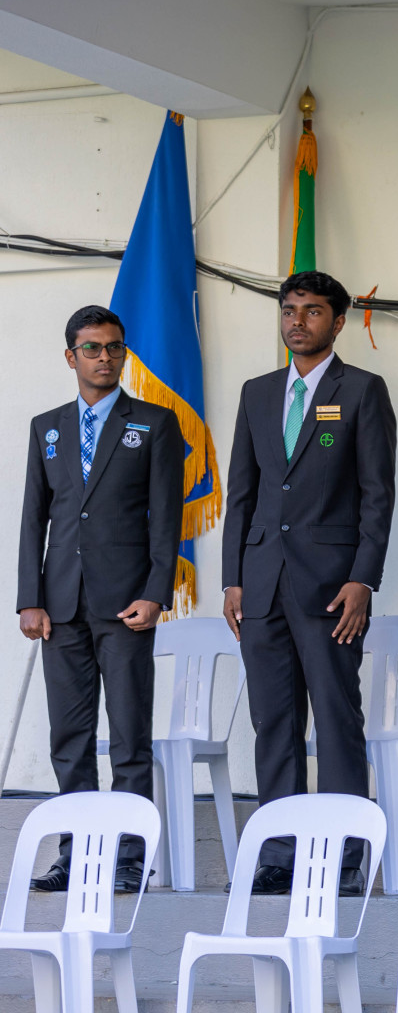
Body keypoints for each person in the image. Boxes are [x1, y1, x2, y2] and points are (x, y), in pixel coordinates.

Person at [222, 270, 397, 896]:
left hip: (332, 588)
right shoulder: (258, 392)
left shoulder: (363, 391)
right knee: (273, 721)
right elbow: (241, 493)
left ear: (339, 321)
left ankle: (348, 856)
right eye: (290, 310)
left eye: (314, 311)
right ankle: (280, 854)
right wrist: (233, 579)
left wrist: (363, 579)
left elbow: (379, 497)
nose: (298, 321)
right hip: (262, 582)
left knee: (335, 716)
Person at [17, 305, 185, 893]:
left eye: (114, 348)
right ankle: (77, 851)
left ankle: (129, 858)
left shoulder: (155, 424)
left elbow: (167, 520)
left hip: (125, 603)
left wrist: (156, 593)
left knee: (130, 735)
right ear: (72, 356)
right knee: (69, 736)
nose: (105, 357)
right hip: (60, 605)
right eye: (92, 348)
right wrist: (28, 599)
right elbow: (33, 517)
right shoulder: (48, 425)